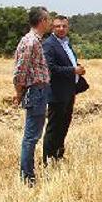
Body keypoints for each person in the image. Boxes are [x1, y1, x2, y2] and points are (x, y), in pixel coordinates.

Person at [12, 6, 52, 186]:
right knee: (31, 136)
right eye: (48, 19)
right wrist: (19, 92)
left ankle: (28, 173)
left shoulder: (35, 40)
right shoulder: (31, 42)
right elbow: (20, 70)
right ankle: (27, 177)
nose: (49, 22)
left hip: (39, 91)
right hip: (35, 91)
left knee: (33, 135)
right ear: (42, 21)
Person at [42, 15, 85, 165]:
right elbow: (51, 68)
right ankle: (48, 162)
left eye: (64, 26)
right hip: (57, 93)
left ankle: (58, 157)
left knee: (64, 126)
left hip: (69, 92)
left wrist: (77, 67)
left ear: (68, 27)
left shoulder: (66, 43)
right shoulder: (49, 44)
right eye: (57, 26)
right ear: (52, 28)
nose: (61, 29)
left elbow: (67, 62)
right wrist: (73, 70)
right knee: (54, 128)